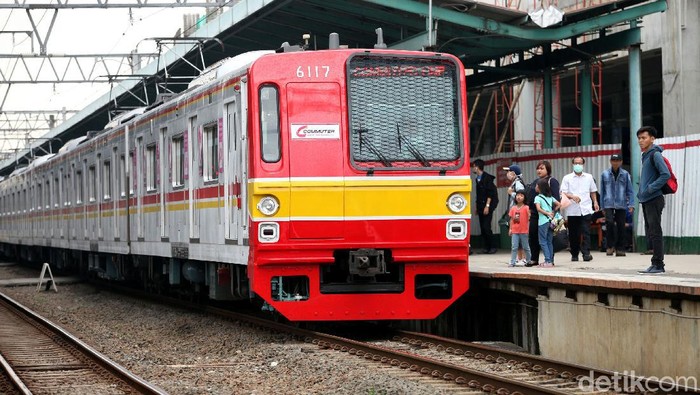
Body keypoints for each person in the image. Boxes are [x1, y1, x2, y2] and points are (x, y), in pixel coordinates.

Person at [636, 126, 670, 274]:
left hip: (654, 198)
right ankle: (655, 263)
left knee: (655, 231)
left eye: (644, 138)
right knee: (652, 231)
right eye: (639, 138)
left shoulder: (655, 155)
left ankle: (659, 264)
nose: (640, 141)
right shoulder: (646, 155)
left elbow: (665, 174)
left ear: (652, 139)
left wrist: (651, 188)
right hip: (646, 199)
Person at [560, 156, 599, 262]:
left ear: (583, 164)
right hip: (573, 210)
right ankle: (574, 253)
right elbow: (563, 192)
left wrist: (595, 202)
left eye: (580, 163)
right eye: (576, 163)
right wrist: (572, 196)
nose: (578, 165)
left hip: (586, 209)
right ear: (573, 164)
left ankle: (586, 253)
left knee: (586, 232)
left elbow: (593, 191)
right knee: (573, 233)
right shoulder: (567, 178)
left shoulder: (589, 177)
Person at [525, 160, 560, 266]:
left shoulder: (552, 181)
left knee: (548, 238)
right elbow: (531, 198)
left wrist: (553, 213)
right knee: (533, 235)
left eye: (542, 168)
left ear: (548, 170)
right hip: (535, 214)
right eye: (538, 168)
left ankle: (550, 259)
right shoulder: (535, 182)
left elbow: (556, 199)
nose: (539, 170)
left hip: (547, 216)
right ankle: (534, 259)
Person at [599, 154, 635, 257]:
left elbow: (630, 190)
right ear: (610, 161)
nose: (615, 162)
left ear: (621, 162)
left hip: (621, 203)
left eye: (618, 160)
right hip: (608, 203)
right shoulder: (605, 174)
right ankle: (610, 246)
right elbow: (602, 191)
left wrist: (631, 204)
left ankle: (620, 248)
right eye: (613, 160)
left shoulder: (625, 174)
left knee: (621, 225)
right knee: (609, 223)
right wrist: (602, 206)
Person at [472, 159, 499, 254]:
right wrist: (477, 207)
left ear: (477, 167)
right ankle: (486, 247)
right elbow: (478, 194)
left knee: (486, 227)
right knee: (482, 228)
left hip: (487, 206)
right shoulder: (477, 179)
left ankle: (493, 246)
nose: (473, 168)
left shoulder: (487, 178)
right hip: (480, 206)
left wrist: (487, 206)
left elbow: (490, 194)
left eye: (474, 166)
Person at [534, 178, 561, 267]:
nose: (535, 187)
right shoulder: (550, 197)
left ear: (540, 188)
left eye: (537, 186)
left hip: (543, 222)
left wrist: (547, 213)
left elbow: (538, 209)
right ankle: (551, 261)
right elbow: (559, 204)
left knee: (542, 241)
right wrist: (553, 212)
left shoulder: (537, 197)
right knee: (549, 241)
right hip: (551, 221)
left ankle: (547, 260)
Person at [508, 191, 531, 267]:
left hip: (524, 231)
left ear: (524, 198)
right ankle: (513, 262)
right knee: (514, 247)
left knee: (526, 247)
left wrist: (528, 228)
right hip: (515, 230)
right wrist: (510, 229)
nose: (519, 197)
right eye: (517, 195)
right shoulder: (513, 208)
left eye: (521, 195)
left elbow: (529, 218)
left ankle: (528, 261)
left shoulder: (526, 208)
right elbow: (511, 219)